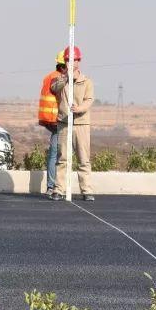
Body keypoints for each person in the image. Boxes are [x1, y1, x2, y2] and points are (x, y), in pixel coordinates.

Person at [50, 45, 94, 201]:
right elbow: (54, 88)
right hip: (64, 123)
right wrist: (66, 77)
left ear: (79, 61)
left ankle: (86, 190)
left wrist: (79, 108)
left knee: (83, 159)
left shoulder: (86, 81)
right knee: (63, 158)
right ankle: (59, 189)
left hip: (81, 124)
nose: (72, 62)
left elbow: (89, 100)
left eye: (74, 60)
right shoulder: (59, 79)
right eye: (68, 60)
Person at [37, 52, 66, 197]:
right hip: (56, 119)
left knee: (55, 152)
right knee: (58, 153)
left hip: (48, 118)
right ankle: (53, 186)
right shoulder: (58, 78)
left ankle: (51, 186)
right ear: (64, 66)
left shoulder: (49, 75)